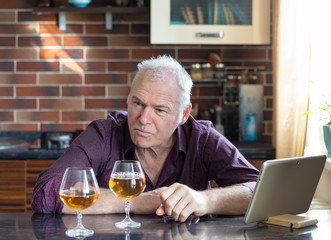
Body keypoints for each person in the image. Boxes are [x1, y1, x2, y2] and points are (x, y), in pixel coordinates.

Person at [31, 55, 259, 222]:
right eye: (138, 103)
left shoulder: (201, 138)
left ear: (184, 114)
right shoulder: (104, 134)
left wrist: (204, 201)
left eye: (160, 110)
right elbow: (45, 193)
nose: (143, 118)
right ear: (128, 100)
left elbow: (260, 191)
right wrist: (137, 201)